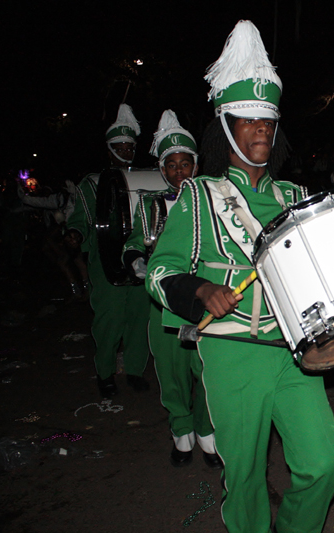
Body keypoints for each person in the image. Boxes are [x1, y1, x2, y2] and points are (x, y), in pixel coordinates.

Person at [146, 21, 334, 532]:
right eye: (249, 119)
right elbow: (160, 271)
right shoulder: (199, 194)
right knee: (248, 476)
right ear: (226, 125)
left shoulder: (296, 196)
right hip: (232, 352)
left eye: (268, 121)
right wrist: (198, 289)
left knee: (321, 465)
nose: (262, 130)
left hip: (294, 352)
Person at [121, 110, 221, 469]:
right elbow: (133, 241)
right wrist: (136, 260)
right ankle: (181, 430)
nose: (179, 172)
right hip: (163, 299)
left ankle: (207, 431)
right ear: (162, 169)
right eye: (172, 166)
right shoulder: (149, 204)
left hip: (204, 298)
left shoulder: (212, 199)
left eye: (185, 164)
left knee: (206, 369)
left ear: (196, 164)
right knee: (171, 370)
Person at [65, 104, 152, 398]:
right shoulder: (92, 182)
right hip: (105, 258)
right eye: (120, 146)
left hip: (138, 256)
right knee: (110, 319)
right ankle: (104, 373)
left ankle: (135, 370)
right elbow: (82, 217)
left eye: (130, 146)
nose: (126, 151)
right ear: (109, 149)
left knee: (140, 317)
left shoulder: (144, 180)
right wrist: (75, 232)